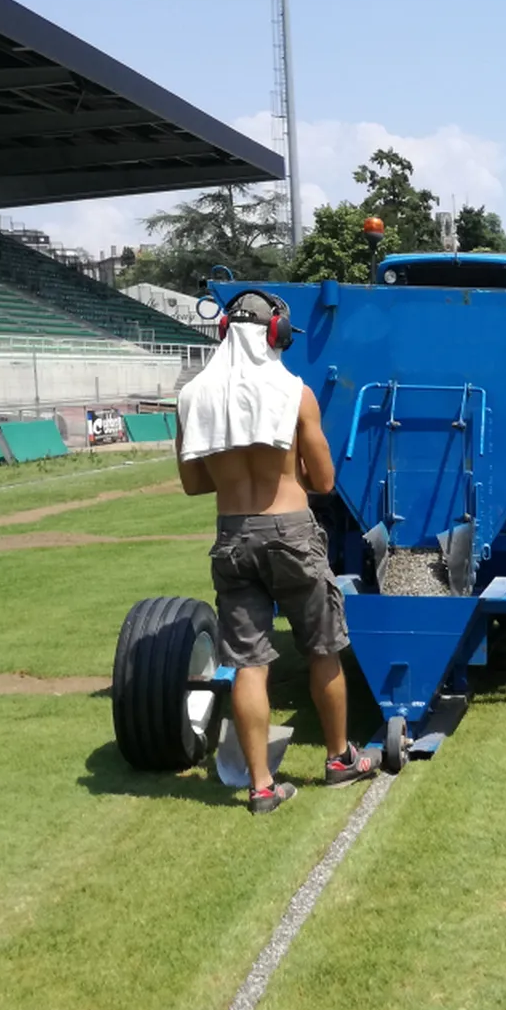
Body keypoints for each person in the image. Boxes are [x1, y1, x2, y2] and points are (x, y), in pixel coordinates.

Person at [175, 293, 378, 812]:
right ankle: (338, 759)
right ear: (275, 334)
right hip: (290, 530)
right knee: (322, 647)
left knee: (248, 662)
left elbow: (193, 483)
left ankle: (262, 785)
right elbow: (326, 481)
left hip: (232, 534)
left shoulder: (193, 395)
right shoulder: (296, 393)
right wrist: (293, 472)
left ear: (224, 332)